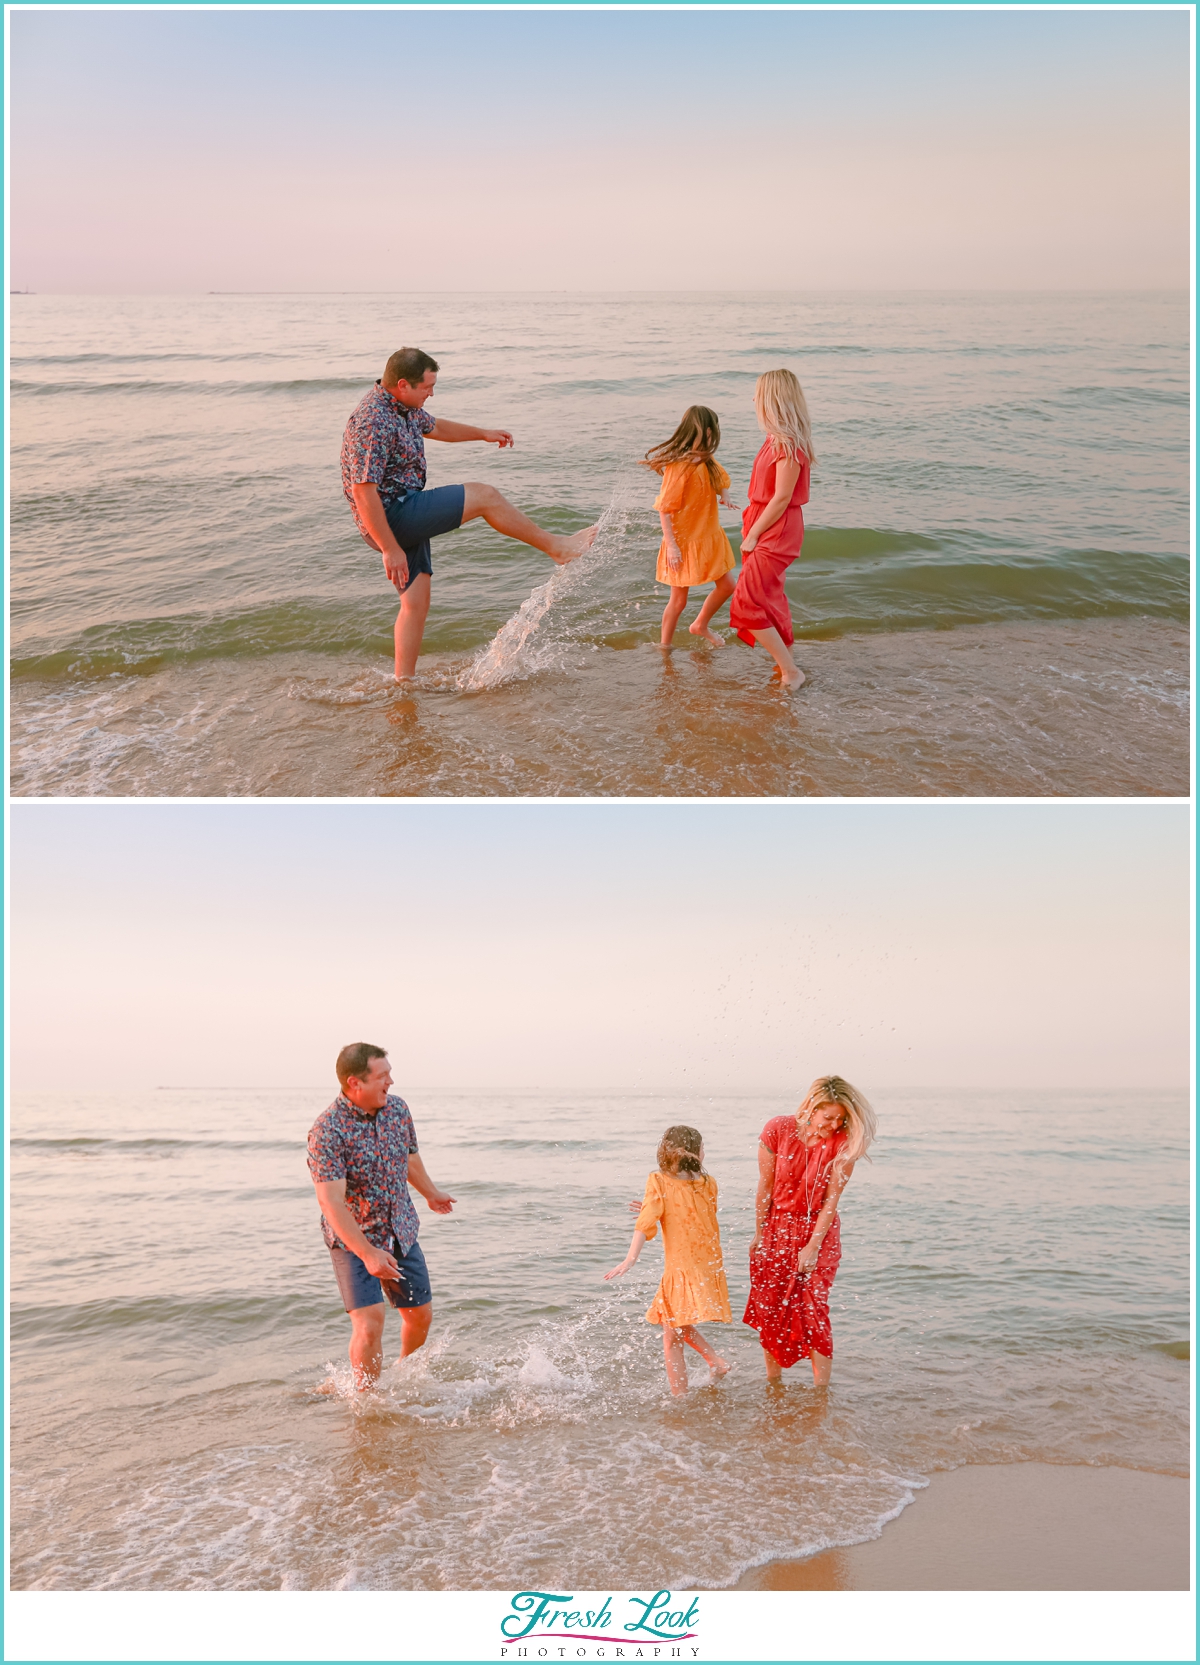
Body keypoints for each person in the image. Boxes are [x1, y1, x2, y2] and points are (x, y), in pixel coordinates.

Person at [341, 348, 598, 680]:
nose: (431, 393)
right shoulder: (372, 420)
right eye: (427, 387)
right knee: (484, 496)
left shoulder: (405, 407)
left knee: (416, 604)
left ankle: (403, 683)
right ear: (402, 384)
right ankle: (557, 548)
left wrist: (484, 434)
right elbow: (364, 491)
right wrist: (390, 549)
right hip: (391, 516)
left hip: (403, 509)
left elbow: (436, 428)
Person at [306, 1043, 456, 1390]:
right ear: (354, 1083)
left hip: (400, 1229)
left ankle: (402, 1376)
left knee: (419, 1316)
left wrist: (431, 1193)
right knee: (370, 1322)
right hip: (353, 1238)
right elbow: (331, 1202)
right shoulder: (328, 1130)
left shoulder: (398, 1110)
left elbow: (408, 1158)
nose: (391, 1081)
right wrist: (368, 1253)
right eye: (382, 1076)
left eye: (390, 1073)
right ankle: (365, 1398)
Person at [743, 1076, 877, 1387]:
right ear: (811, 1108)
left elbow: (832, 1200)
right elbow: (765, 1186)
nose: (834, 1124)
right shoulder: (778, 1129)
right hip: (776, 1227)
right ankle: (773, 1384)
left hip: (819, 1229)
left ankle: (821, 1393)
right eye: (829, 1116)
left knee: (814, 1307)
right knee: (771, 1305)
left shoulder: (843, 1143)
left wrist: (813, 1246)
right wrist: (759, 1232)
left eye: (841, 1119)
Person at [604, 1124, 731, 1396]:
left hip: (682, 1265)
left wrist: (630, 1259)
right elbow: (699, 1215)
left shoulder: (658, 1180)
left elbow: (645, 1224)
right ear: (695, 1152)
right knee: (671, 1326)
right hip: (707, 1261)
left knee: (671, 1332)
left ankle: (687, 1390)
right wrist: (657, 1207)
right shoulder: (709, 1183)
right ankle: (704, 1372)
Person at [729, 368, 815, 691]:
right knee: (768, 595)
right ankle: (788, 661)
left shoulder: (789, 445)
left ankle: (791, 671)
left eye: (758, 394)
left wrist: (754, 535)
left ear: (773, 399)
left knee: (746, 601)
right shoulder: (774, 440)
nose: (753, 400)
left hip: (776, 530)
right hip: (764, 523)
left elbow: (781, 499)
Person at [641, 406, 740, 648]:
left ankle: (700, 625)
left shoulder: (707, 460)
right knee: (678, 601)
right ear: (707, 430)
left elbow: (720, 479)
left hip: (708, 535)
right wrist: (672, 547)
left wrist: (724, 495)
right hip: (683, 541)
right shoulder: (679, 467)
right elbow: (664, 509)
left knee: (728, 586)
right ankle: (665, 645)